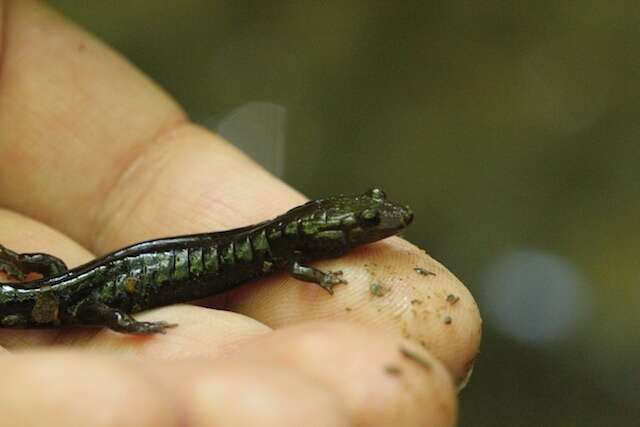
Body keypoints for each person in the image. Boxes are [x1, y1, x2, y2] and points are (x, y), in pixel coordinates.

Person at [0, 1, 481, 426]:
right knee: (80, 301)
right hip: (85, 295)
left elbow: (296, 266)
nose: (388, 222)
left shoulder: (288, 248)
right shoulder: (289, 253)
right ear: (325, 231)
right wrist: (128, 326)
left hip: (86, 283)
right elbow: (298, 269)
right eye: (371, 221)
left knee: (56, 276)